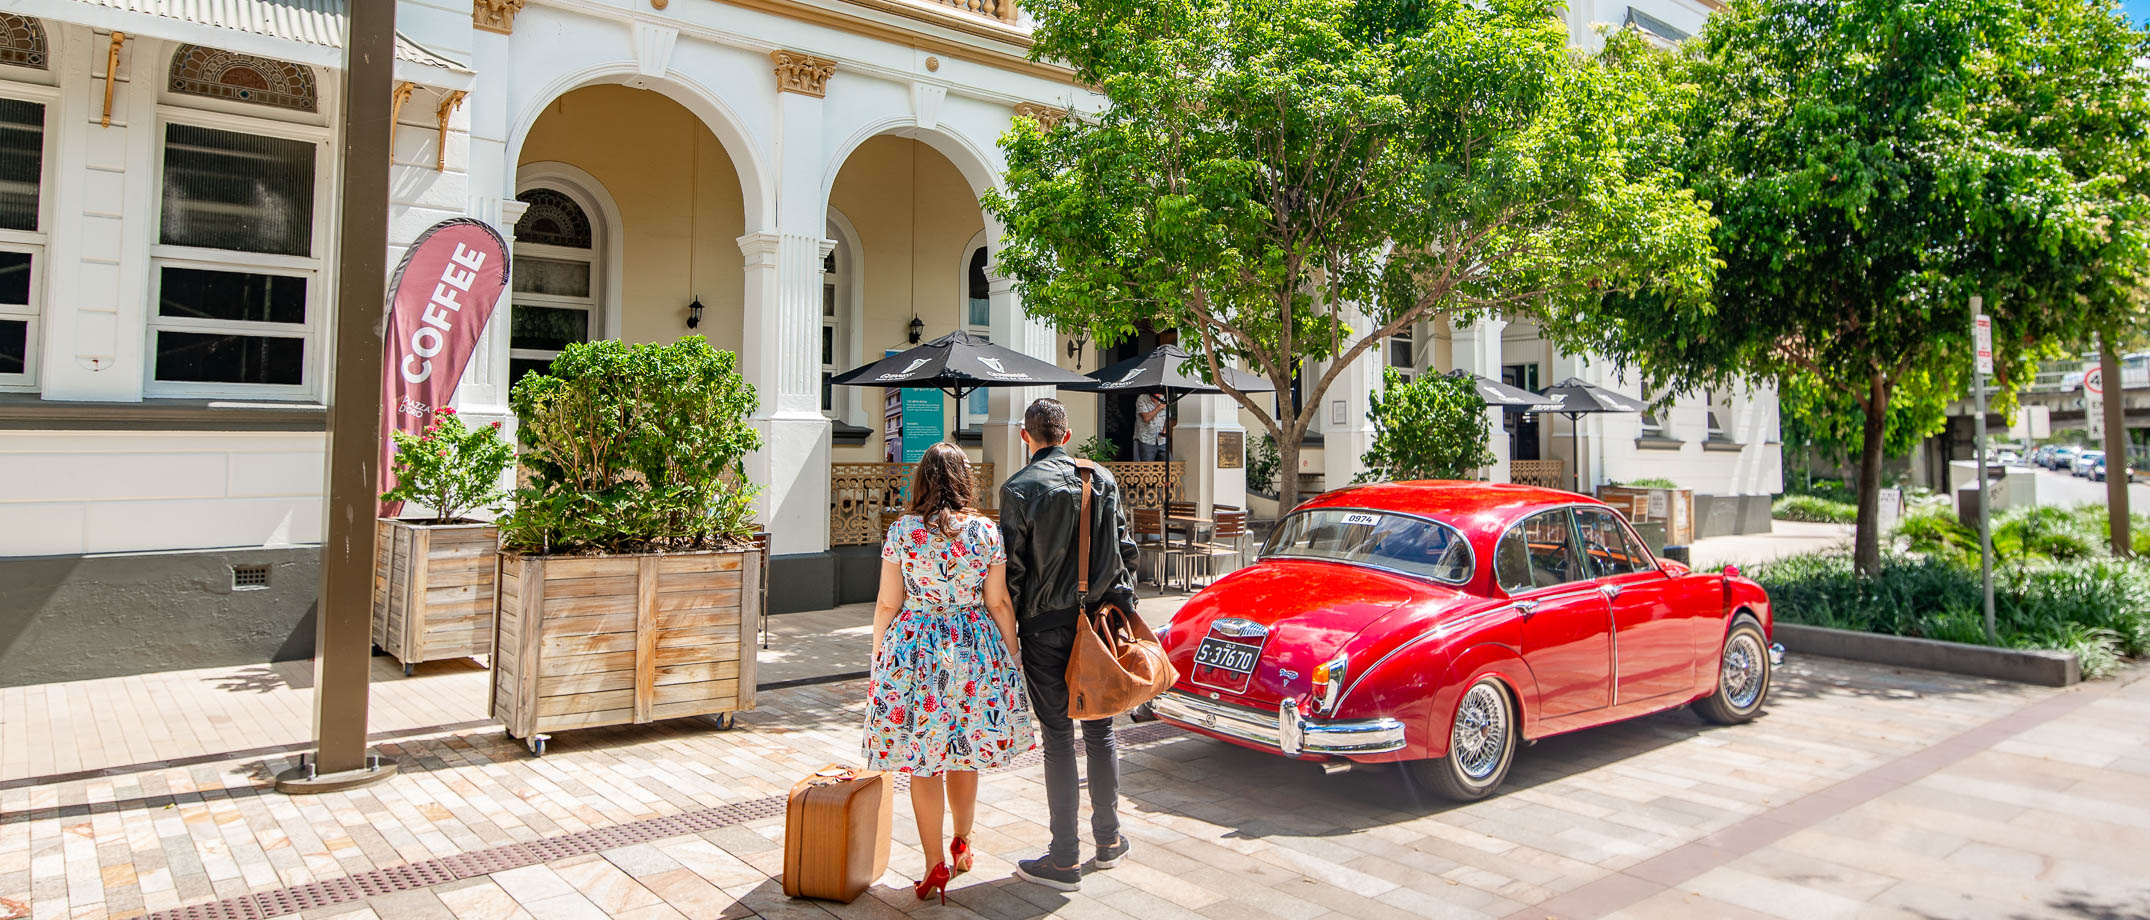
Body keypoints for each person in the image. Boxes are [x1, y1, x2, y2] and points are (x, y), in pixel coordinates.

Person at [863, 442, 1034, 903]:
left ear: (922, 481)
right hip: (973, 650)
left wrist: (880, 653)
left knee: (924, 760)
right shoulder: (985, 532)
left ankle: (933, 861)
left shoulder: (901, 532)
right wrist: (1012, 654)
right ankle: (963, 843)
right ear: (964, 481)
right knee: (963, 751)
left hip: (916, 652)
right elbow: (998, 601)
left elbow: (887, 602)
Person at [998, 398, 1141, 891]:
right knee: (1100, 731)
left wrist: (1008, 634)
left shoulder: (1018, 489)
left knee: (1058, 739)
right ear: (1067, 433)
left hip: (1043, 628)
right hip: (1097, 625)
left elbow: (1013, 574)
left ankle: (1064, 859)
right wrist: (1119, 609)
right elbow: (1127, 552)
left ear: (1026, 437)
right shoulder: (1101, 480)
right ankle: (1108, 841)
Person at [1133, 389, 1169, 461]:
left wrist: (1165, 429)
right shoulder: (1142, 399)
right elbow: (1146, 418)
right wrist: (1159, 407)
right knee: (1147, 468)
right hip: (1146, 440)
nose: (1158, 395)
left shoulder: (1163, 398)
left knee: (1168, 465)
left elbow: (1168, 417)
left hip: (1162, 440)